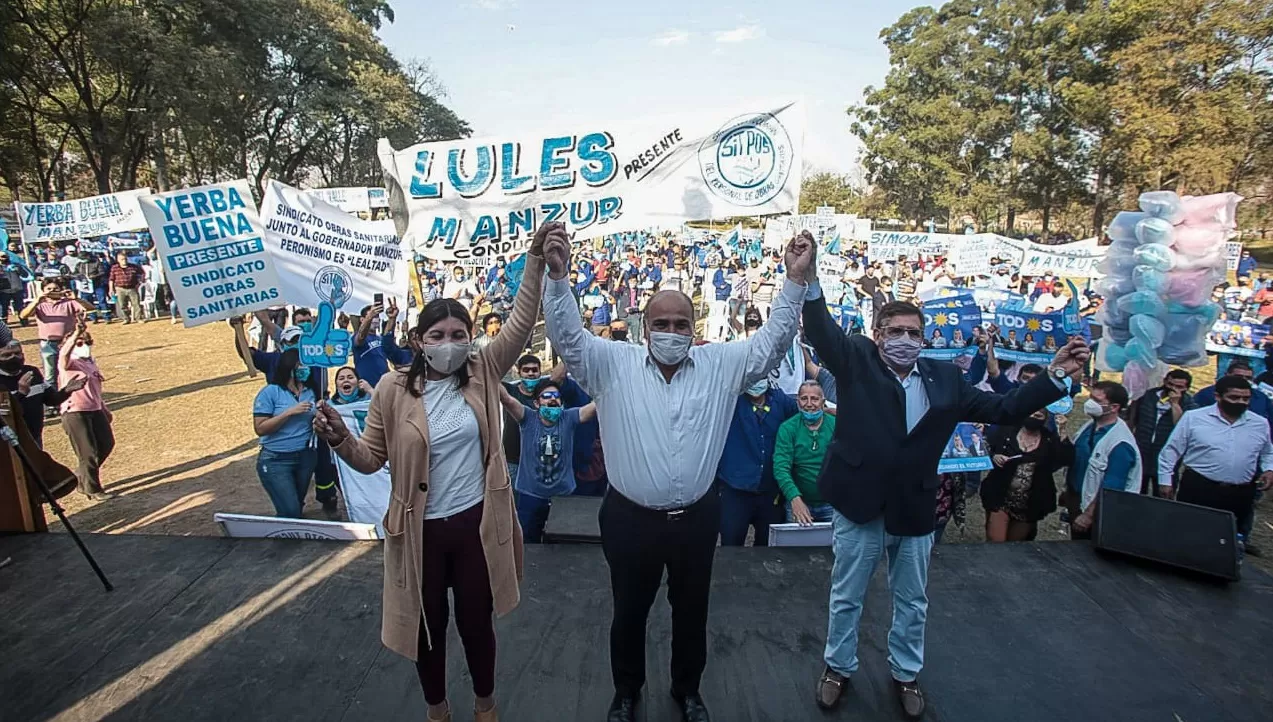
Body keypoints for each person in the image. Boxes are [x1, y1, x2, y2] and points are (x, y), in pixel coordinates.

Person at [541, 226, 813, 722]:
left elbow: (773, 343)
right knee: (628, 612)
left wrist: (794, 280)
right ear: (644, 328)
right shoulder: (610, 364)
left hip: (696, 519)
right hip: (629, 519)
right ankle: (627, 693)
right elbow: (567, 338)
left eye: (680, 323)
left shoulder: (720, 365)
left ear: (695, 328)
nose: (670, 331)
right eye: (660, 322)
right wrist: (558, 279)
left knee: (692, 612)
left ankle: (688, 691)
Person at [802, 281, 1087, 718]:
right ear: (877, 334)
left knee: (913, 598)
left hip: (914, 508)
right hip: (860, 505)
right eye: (895, 331)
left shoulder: (946, 380)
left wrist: (1056, 375)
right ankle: (838, 667)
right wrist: (811, 277)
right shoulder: (856, 360)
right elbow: (820, 331)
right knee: (847, 595)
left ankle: (905, 673)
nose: (905, 340)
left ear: (925, 338)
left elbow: (1005, 409)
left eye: (914, 333)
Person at [311, 223, 547, 722]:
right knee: (427, 626)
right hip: (419, 532)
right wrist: (339, 438)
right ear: (418, 341)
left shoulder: (483, 370)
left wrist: (534, 262)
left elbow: (522, 322)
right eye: (437, 335)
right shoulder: (392, 391)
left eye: (459, 335)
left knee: (477, 623)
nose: (449, 343)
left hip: (476, 525)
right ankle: (437, 710)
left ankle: (486, 707)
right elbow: (370, 459)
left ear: (470, 339)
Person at [1156, 375, 1273, 554]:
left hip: (1240, 493)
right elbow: (1171, 451)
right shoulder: (1193, 418)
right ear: (1218, 397)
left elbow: (1267, 451)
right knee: (1189, 534)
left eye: (1246, 398)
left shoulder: (1259, 423)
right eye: (1234, 398)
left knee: (1228, 540)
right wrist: (1165, 481)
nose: (1241, 402)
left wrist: (1269, 469)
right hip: (1199, 487)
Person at [499, 379, 597, 543]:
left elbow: (596, 406)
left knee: (561, 548)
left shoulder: (569, 418)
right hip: (530, 496)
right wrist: (489, 372)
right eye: (547, 396)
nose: (553, 399)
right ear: (536, 403)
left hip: (563, 497)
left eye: (556, 396)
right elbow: (507, 399)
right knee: (528, 546)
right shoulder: (527, 418)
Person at [715, 379, 798, 546]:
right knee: (731, 547)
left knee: (768, 548)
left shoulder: (780, 400)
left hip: (770, 492)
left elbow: (803, 413)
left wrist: (829, 411)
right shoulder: (730, 401)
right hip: (736, 490)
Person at [1060, 381, 1142, 539]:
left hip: (1098, 512)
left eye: (1097, 401)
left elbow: (1111, 488)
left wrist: (1089, 515)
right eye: (1090, 397)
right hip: (1077, 499)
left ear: (1114, 407)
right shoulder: (1089, 426)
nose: (1090, 403)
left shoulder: (1121, 443)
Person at [980, 410, 1071, 541]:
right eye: (1030, 413)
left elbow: (1066, 459)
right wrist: (994, 456)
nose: (1032, 417)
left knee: (1017, 546)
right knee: (996, 542)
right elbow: (986, 447)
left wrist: (1062, 430)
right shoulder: (1007, 431)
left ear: (1045, 419)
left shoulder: (1049, 439)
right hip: (1000, 498)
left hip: (1030, 504)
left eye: (1038, 416)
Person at [251, 349, 318, 518]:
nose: (305, 369)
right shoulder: (270, 393)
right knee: (290, 510)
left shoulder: (310, 392)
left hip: (305, 457)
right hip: (276, 460)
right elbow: (260, 428)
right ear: (290, 367)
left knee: (297, 504)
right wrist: (288, 413)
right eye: (301, 365)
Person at [58, 321, 116, 500]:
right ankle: (92, 488)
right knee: (88, 452)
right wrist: (76, 334)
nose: (85, 346)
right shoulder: (68, 363)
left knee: (106, 443)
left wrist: (104, 408)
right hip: (75, 411)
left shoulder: (90, 363)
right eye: (80, 343)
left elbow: (96, 389)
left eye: (88, 342)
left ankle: (83, 475)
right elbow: (64, 354)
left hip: (95, 408)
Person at [774, 380, 837, 525]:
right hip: (798, 502)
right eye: (804, 398)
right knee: (797, 547)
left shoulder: (836, 425)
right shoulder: (788, 428)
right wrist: (794, 498)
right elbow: (781, 467)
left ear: (823, 402)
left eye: (814, 399)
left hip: (833, 504)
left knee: (834, 547)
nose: (809, 404)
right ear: (798, 402)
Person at [20, 278, 96, 394]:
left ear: (61, 289)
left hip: (69, 343)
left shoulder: (69, 302)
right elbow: (23, 315)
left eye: (55, 288)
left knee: (72, 369)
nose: (52, 291)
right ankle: (53, 401)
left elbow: (91, 308)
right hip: (48, 343)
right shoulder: (40, 304)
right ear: (43, 290)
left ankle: (73, 396)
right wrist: (37, 300)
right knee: (50, 374)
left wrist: (75, 298)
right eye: (49, 289)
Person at [1127, 369, 1195, 495]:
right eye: (1170, 384)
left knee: (1163, 494)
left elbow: (1181, 427)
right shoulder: (1148, 396)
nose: (1173, 389)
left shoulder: (1189, 404)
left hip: (1166, 454)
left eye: (1179, 387)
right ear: (1164, 381)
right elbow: (1132, 418)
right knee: (1136, 491)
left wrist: (1175, 404)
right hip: (1142, 448)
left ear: (1186, 388)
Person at [0, 339, 79, 447]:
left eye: (17, 353)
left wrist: (66, 391)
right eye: (7, 355)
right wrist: (21, 393)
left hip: (34, 437)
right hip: (7, 442)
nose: (14, 358)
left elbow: (50, 400)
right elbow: (4, 412)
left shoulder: (32, 373)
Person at [108, 251, 145, 323]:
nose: (124, 261)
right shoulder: (114, 268)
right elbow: (111, 279)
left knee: (136, 304)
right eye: (122, 259)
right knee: (122, 305)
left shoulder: (133, 266)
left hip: (132, 288)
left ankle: (138, 318)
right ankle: (126, 318)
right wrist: (111, 289)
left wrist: (140, 282)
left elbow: (142, 273)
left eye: (125, 259)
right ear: (118, 260)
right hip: (120, 288)